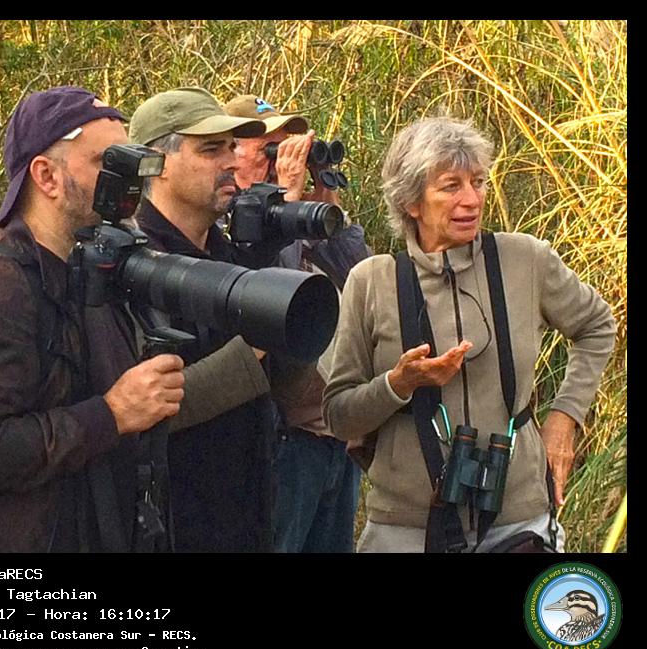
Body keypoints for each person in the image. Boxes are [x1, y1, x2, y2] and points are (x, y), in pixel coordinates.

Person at [0, 86, 187, 552]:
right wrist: (111, 414)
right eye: (107, 163)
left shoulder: (90, 274)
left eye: (130, 164)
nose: (126, 183)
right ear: (47, 176)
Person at [322, 116, 616, 553]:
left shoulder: (525, 259)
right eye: (451, 186)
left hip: (519, 520)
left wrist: (564, 418)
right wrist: (399, 384)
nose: (472, 199)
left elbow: (597, 325)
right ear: (411, 202)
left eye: (477, 182)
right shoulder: (371, 281)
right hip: (406, 526)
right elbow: (340, 415)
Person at [128, 87, 290, 552]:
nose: (232, 162)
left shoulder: (232, 255)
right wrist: (260, 339)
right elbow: (148, 409)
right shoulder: (130, 265)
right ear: (157, 162)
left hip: (247, 519)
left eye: (233, 147)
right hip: (172, 528)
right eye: (211, 149)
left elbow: (291, 396)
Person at [225, 94, 370, 553]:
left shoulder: (299, 214)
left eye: (288, 145)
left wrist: (326, 205)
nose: (280, 157)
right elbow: (273, 293)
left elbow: (359, 277)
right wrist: (285, 201)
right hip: (282, 437)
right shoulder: (230, 220)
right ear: (232, 151)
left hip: (332, 433)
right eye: (268, 147)